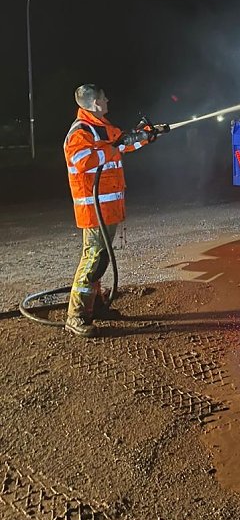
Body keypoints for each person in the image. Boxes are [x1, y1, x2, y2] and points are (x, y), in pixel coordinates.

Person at [63, 84, 161, 337]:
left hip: (107, 207)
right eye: (104, 98)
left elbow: (122, 144)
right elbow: (83, 160)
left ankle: (94, 305)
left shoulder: (101, 127)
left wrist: (146, 135)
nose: (108, 100)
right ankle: (76, 316)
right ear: (95, 103)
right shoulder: (80, 132)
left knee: (101, 258)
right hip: (93, 209)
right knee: (93, 259)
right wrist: (115, 147)